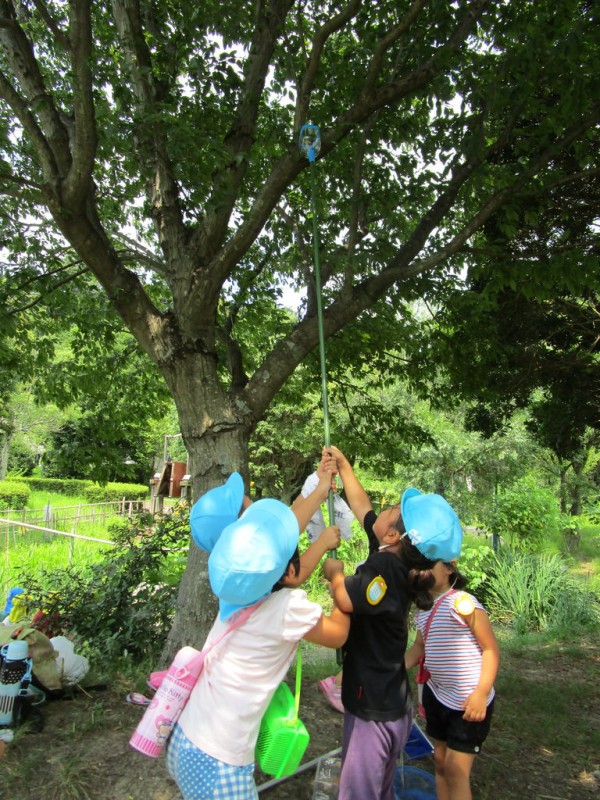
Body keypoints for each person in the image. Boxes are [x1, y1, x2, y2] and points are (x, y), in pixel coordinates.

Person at [166, 466, 350, 800]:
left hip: (186, 735)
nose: (249, 499)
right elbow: (337, 633)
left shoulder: (233, 586)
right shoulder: (286, 607)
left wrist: (319, 490)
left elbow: (282, 553)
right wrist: (340, 583)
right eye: (245, 505)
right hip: (221, 761)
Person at [321, 444, 463, 800]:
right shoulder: (398, 560)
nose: (382, 509)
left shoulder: (383, 566)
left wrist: (334, 573)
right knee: (380, 790)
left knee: (359, 793)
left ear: (392, 535)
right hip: (392, 704)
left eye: (391, 509)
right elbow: (362, 507)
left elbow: (346, 599)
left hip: (373, 712)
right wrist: (344, 466)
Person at [404, 547, 499, 800]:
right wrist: (393, 668)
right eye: (418, 566)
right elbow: (419, 647)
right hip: (438, 697)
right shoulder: (423, 610)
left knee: (457, 769)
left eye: (428, 564)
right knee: (441, 761)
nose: (421, 571)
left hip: (469, 702)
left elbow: (490, 649)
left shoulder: (462, 603)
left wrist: (481, 693)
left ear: (450, 566)